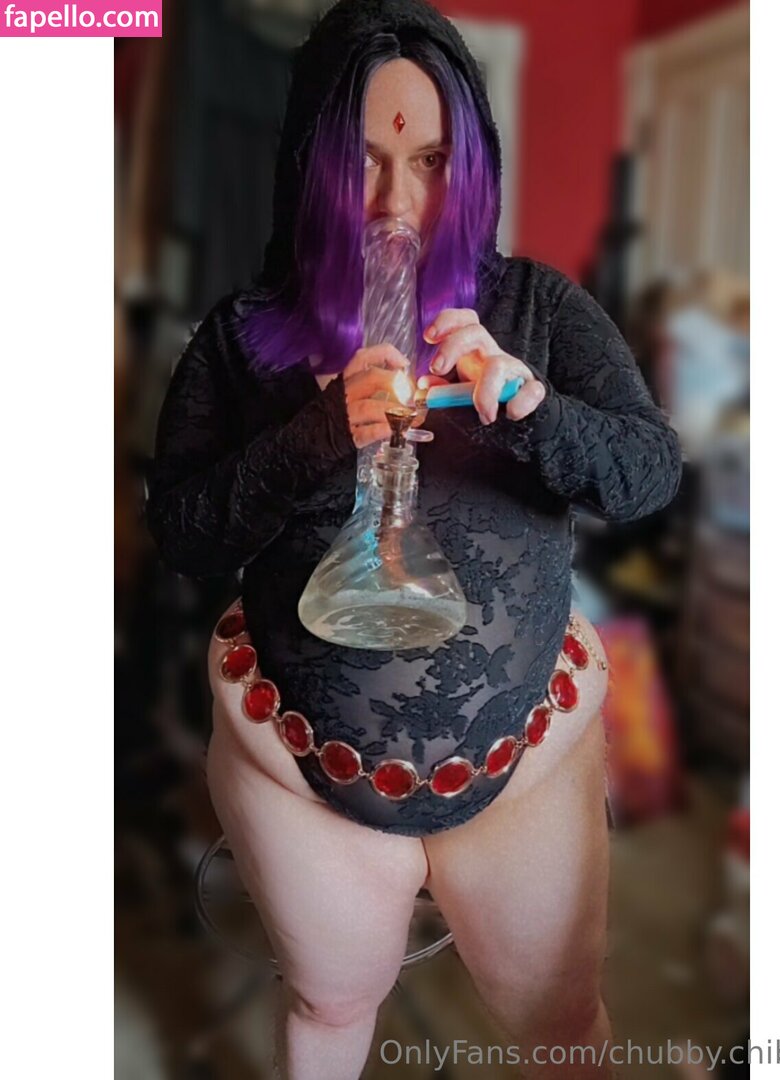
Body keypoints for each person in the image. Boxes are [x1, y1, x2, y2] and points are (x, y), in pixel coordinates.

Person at [146, 1, 682, 1076]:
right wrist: (315, 434)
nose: (397, 202)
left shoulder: (538, 310)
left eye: (432, 161)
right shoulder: (243, 339)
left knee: (561, 1023)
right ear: (311, 166)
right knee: (332, 1006)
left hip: (523, 757)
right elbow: (183, 534)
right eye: (364, 161)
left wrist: (531, 408)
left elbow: (648, 475)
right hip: (303, 765)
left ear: (471, 167)